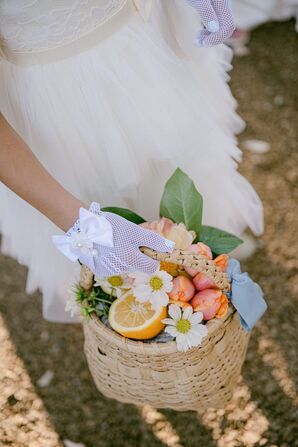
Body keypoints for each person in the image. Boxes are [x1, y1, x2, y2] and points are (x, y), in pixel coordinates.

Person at [0, 0, 263, 323]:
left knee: (181, 167)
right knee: (104, 205)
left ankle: (200, 262)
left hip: (147, 48)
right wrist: (82, 226)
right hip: (58, 99)